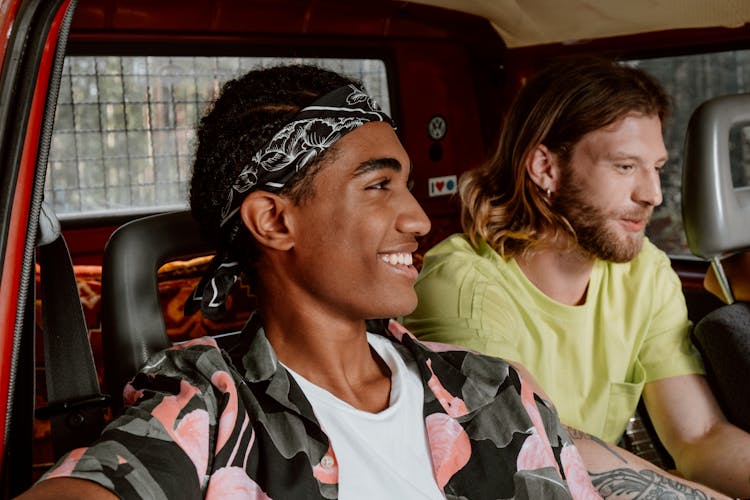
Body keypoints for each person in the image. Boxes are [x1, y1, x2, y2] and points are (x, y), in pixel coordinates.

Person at [18, 64, 727, 500]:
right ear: (274, 219)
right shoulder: (212, 409)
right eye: (378, 185)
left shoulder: (493, 388)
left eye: (410, 186)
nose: (420, 219)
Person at [404, 56, 750, 498]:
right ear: (545, 168)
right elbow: (542, 448)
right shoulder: (463, 286)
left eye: (657, 168)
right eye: (625, 167)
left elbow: (699, 436)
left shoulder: (645, 271)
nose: (653, 195)